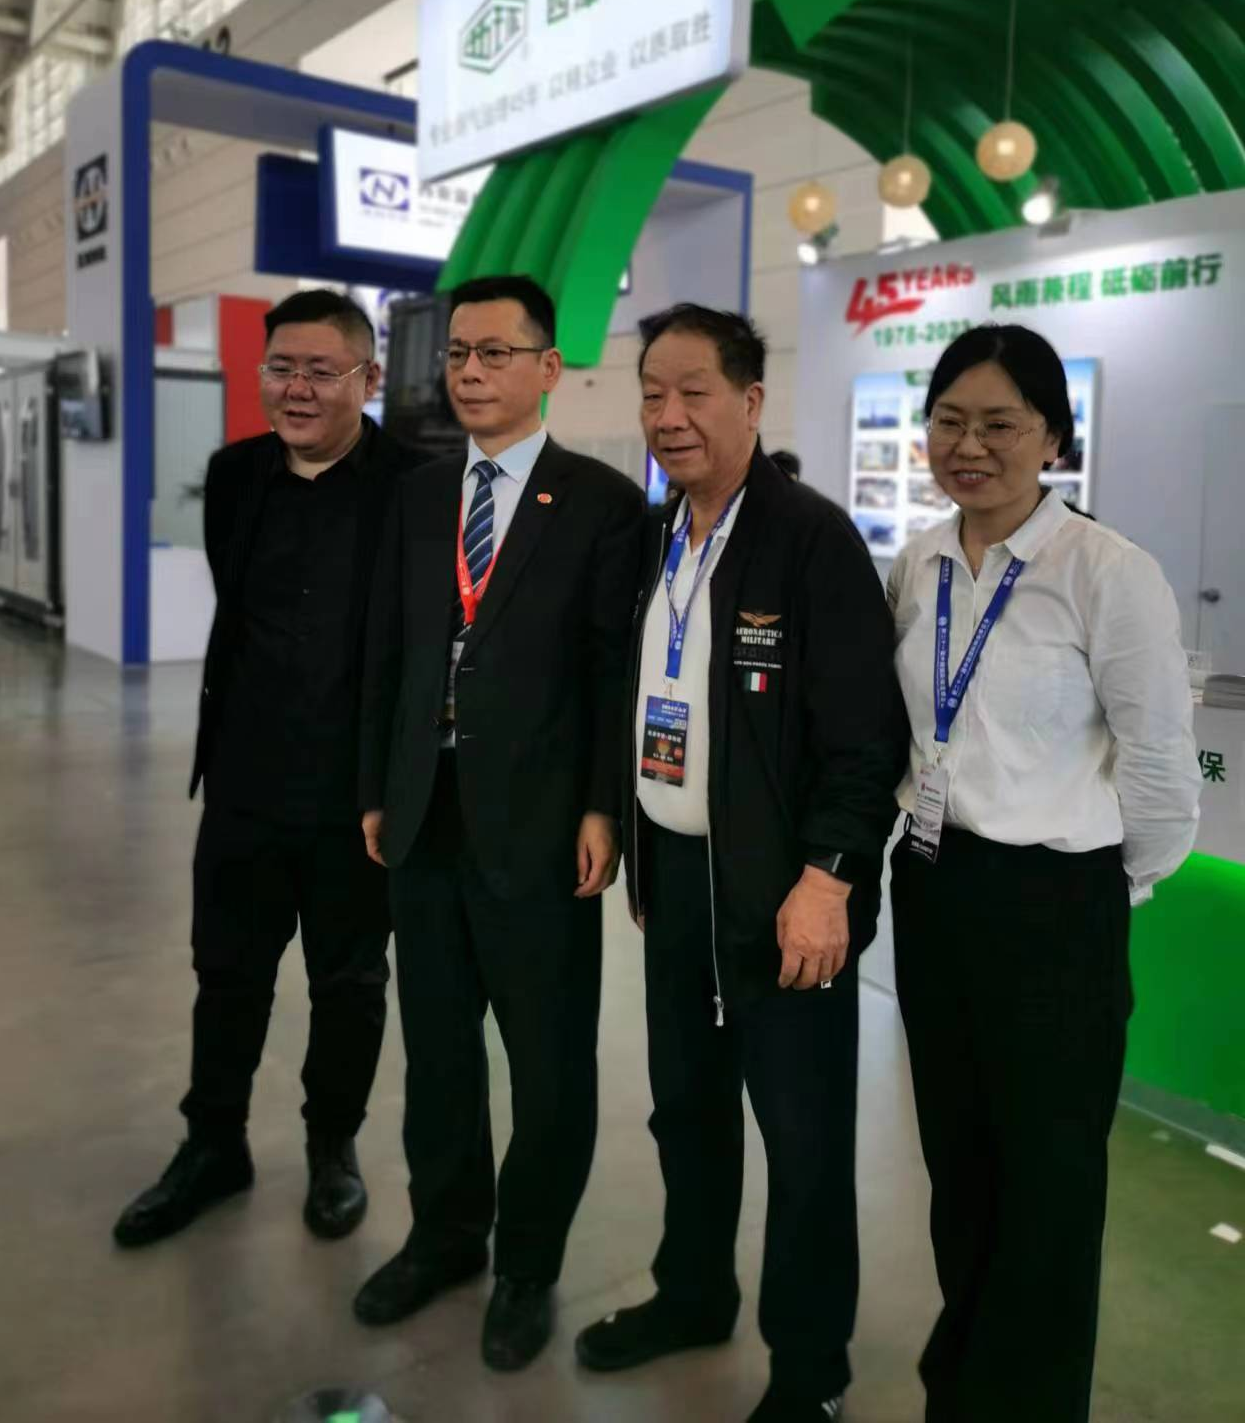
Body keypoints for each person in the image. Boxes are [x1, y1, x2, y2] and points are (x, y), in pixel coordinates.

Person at [576, 305, 908, 1423]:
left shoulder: (811, 541)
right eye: (651, 394)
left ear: (751, 401)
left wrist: (827, 878)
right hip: (675, 882)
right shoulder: (651, 538)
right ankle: (692, 1293)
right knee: (687, 1111)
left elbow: (865, 741)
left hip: (784, 903)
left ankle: (809, 1371)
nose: (667, 415)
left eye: (693, 392)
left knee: (803, 1144)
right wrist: (623, 825)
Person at [885, 324, 1201, 1423]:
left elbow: (1159, 767)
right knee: (959, 1164)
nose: (968, 446)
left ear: (1053, 438)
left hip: (1057, 906)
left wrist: (1100, 888)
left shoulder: (1106, 572)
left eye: (999, 424)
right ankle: (962, 1382)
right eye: (948, 421)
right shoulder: (919, 561)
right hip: (934, 887)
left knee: (1050, 1187)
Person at [356, 275, 644, 1372]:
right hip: (424, 817)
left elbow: (611, 669)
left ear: (546, 367)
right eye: (458, 354)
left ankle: (526, 1262)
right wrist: (377, 786)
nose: (469, 372)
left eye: (493, 353)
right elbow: (391, 649)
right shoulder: (421, 495)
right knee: (437, 1052)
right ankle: (444, 1234)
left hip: (539, 825)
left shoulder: (599, 500)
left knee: (547, 1060)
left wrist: (602, 805)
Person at [114, 291, 419, 1251]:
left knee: (349, 984)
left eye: (322, 371)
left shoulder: (415, 487)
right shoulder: (235, 474)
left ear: (369, 379)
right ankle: (213, 1145)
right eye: (280, 368)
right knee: (227, 975)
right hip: (244, 785)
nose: (297, 388)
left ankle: (333, 1147)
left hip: (354, 802)